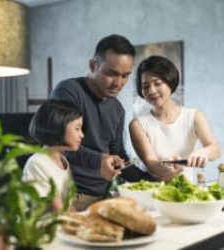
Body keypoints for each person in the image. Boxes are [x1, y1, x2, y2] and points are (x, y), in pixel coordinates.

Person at [51, 34, 155, 211]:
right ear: (93, 65)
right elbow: (60, 145)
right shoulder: (68, 91)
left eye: (125, 76)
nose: (118, 83)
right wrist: (101, 159)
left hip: (104, 196)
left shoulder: (117, 109)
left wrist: (155, 181)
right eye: (112, 74)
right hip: (71, 197)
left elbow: (119, 156)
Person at [129, 55, 221, 182]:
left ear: (170, 82)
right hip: (152, 191)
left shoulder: (194, 116)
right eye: (145, 86)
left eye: (157, 83)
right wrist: (168, 165)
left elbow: (215, 148)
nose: (151, 90)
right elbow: (151, 164)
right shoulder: (137, 125)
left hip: (185, 192)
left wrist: (205, 153)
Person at [23, 99, 84, 211]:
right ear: (58, 126)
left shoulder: (63, 161)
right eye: (77, 129)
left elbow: (68, 206)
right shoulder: (37, 163)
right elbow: (59, 211)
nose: (82, 135)